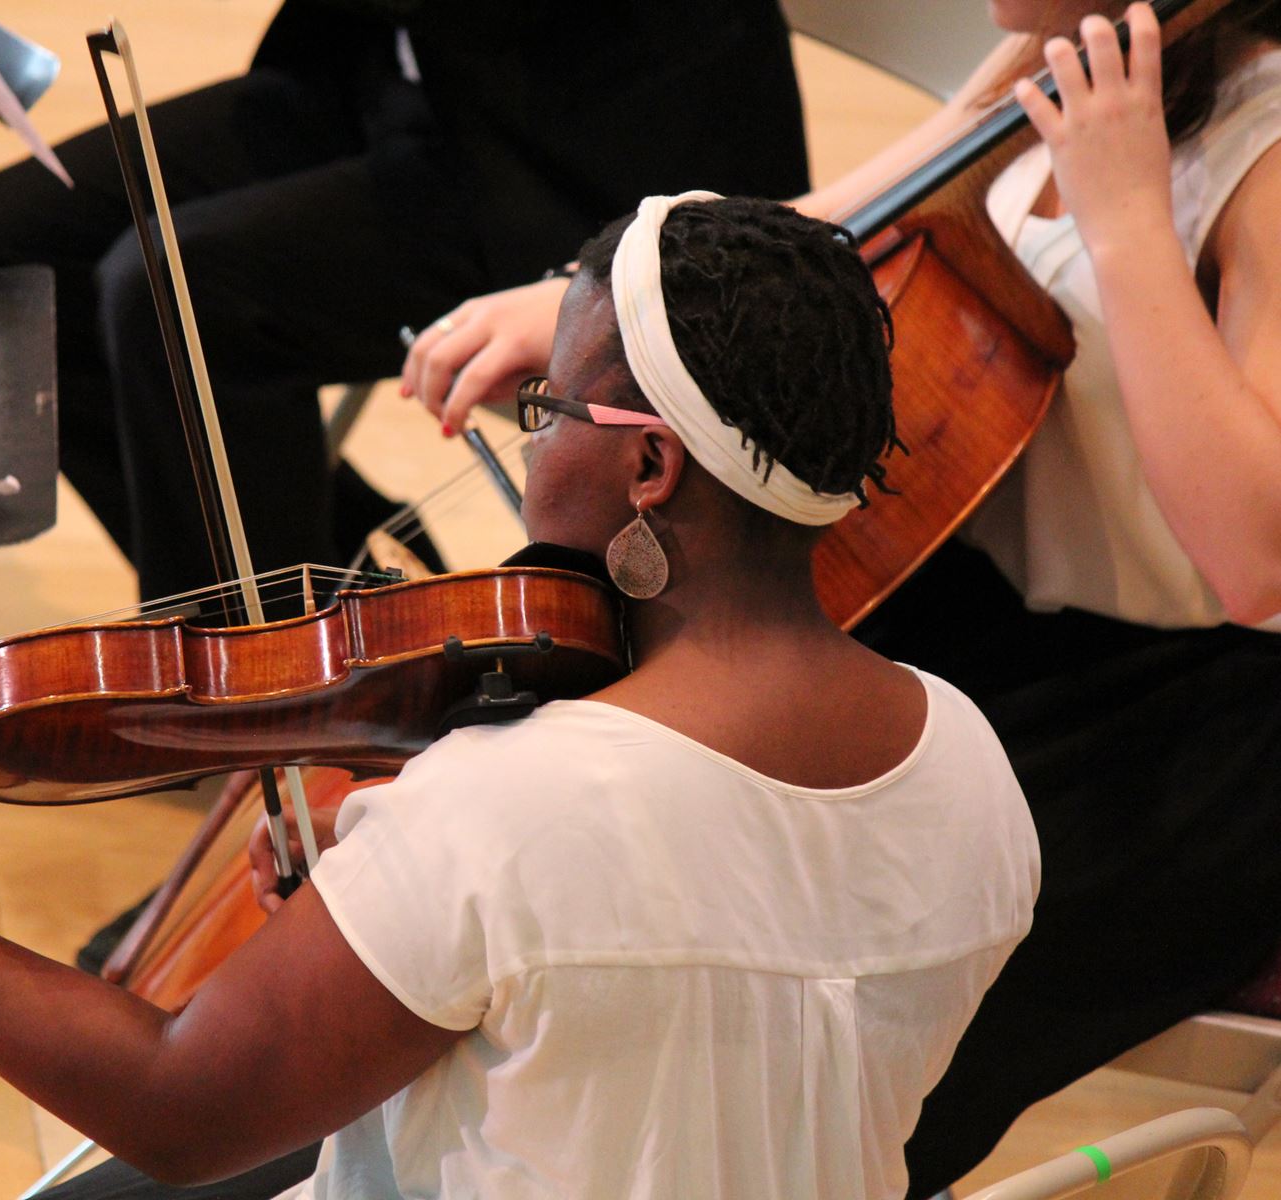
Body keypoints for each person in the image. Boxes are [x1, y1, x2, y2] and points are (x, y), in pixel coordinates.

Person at [0, 196, 1038, 1199]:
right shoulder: (977, 768)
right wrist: (405, 919)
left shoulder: (510, 805)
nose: (532, 444)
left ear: (651, 473)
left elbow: (175, 1109)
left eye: (547, 411)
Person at [399, 4, 1281, 1194]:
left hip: (1191, 722)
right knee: (665, 881)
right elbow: (839, 230)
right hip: (973, 606)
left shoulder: (1264, 151)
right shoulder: (1053, 47)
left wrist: (1125, 220)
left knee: (826, 1041)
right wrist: (595, 317)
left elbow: (1252, 558)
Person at [0, 0, 809, 606]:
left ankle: (282, 694)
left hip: (582, 152)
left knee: (179, 289)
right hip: (394, 72)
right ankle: (334, 574)